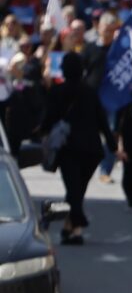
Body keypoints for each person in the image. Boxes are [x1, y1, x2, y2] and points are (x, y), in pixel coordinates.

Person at [40, 51, 114, 244]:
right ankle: (73, 230)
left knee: (73, 190)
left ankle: (77, 222)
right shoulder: (90, 91)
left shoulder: (57, 91)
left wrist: (38, 132)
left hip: (69, 149)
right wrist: (112, 144)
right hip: (92, 151)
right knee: (77, 190)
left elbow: (49, 118)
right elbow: (102, 120)